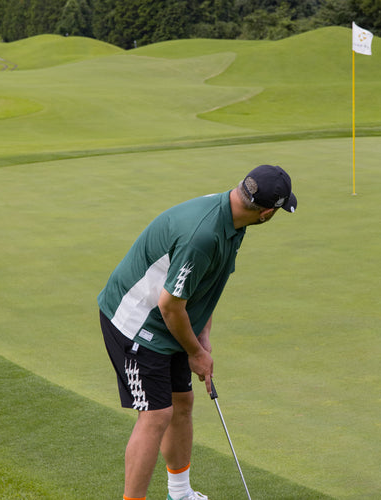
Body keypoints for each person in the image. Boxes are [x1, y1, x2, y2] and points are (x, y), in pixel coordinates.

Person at [98, 164, 297, 500]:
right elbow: (170, 306)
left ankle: (180, 493)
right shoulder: (203, 235)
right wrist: (195, 352)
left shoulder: (232, 217)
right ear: (265, 212)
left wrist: (202, 336)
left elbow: (204, 286)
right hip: (135, 322)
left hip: (168, 321)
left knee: (182, 402)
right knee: (157, 414)